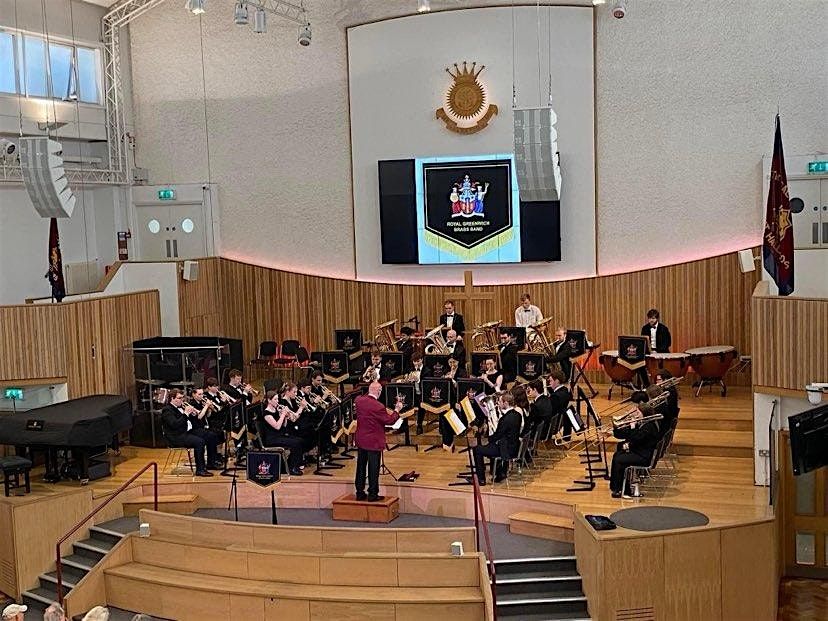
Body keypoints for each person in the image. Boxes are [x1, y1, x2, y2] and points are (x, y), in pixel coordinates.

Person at [354, 381, 402, 501]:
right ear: (379, 391)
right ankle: (372, 494)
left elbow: (364, 398)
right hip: (373, 442)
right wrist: (397, 410)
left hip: (361, 439)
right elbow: (389, 421)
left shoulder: (359, 401)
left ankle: (359, 492)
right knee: (373, 468)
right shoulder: (378, 406)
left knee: (360, 467)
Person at [609, 395, 661, 498]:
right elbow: (634, 437)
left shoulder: (649, 427)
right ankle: (619, 487)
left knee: (618, 459)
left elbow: (636, 439)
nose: (636, 414)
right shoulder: (645, 423)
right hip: (641, 451)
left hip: (644, 457)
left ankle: (621, 490)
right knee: (618, 454)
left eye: (638, 413)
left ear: (644, 414)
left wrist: (633, 428)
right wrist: (616, 431)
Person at [160, 389, 219, 476]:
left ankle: (211, 463)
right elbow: (175, 425)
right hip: (176, 436)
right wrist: (186, 413)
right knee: (200, 442)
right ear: (172, 398)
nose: (182, 400)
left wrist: (193, 413)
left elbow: (193, 418)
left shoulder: (181, 406)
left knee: (211, 436)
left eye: (182, 398)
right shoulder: (167, 410)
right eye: (179, 398)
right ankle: (200, 469)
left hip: (187, 431)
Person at [473, 392, 522, 484]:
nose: (498, 403)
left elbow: (497, 435)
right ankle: (500, 473)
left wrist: (488, 438)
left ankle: (481, 479)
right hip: (514, 447)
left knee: (477, 449)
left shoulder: (505, 419)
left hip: (506, 450)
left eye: (500, 402)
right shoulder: (517, 415)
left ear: (505, 403)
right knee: (492, 444)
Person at [260, 390, 304, 476]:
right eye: (275, 399)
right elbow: (277, 426)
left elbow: (283, 426)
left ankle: (291, 464)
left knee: (300, 440)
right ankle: (292, 468)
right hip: (272, 439)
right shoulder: (266, 414)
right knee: (296, 443)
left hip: (280, 435)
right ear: (269, 400)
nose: (277, 401)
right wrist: (283, 414)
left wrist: (285, 418)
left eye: (277, 399)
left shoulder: (276, 410)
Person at [547, 370, 573, 440]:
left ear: (557, 381)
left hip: (553, 425)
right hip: (559, 422)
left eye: (551, 381)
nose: (549, 383)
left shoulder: (555, 397)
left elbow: (550, 411)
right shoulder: (565, 390)